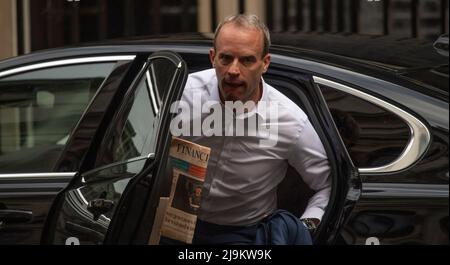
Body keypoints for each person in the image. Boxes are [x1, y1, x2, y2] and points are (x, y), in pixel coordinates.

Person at [175, 14, 331, 245]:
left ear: (265, 63)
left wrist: (304, 228)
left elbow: (328, 184)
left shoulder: (289, 121)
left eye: (247, 60)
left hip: (243, 236)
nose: (233, 70)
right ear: (212, 57)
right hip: (175, 225)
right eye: (225, 58)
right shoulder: (182, 94)